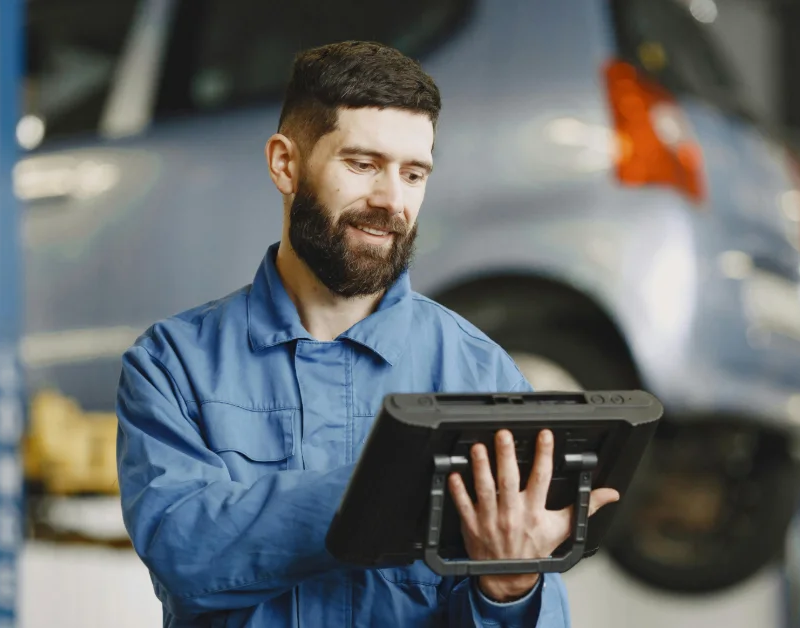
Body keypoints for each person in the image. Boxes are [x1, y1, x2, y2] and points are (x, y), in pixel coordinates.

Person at [115, 40, 619, 627]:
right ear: (286, 163)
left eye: (412, 173)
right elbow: (186, 551)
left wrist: (507, 588)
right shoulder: (174, 365)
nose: (391, 201)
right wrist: (389, 486)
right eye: (362, 165)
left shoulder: (482, 374)